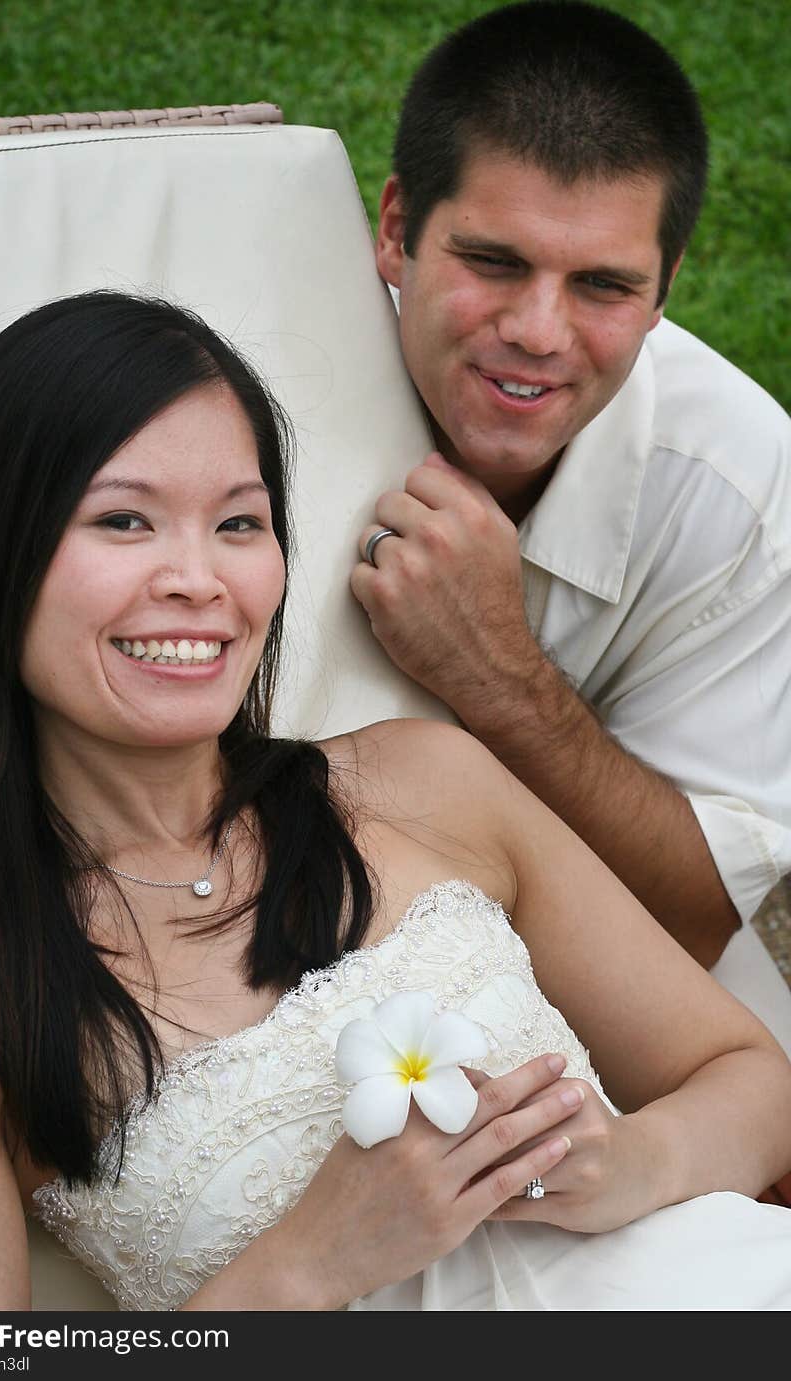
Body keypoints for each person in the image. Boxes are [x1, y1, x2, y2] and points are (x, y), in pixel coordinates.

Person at [0, 291, 791, 1314]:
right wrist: (307, 1262)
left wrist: (629, 1164)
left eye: (239, 522)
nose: (200, 579)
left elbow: (749, 1073)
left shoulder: (425, 781)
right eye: (123, 519)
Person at [351, 2, 791, 1026]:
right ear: (395, 230)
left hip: (582, 958)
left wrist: (495, 676)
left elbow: (693, 916)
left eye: (601, 284)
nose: (536, 332)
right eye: (493, 262)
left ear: (665, 288)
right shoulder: (232, 393)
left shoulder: (743, 483)